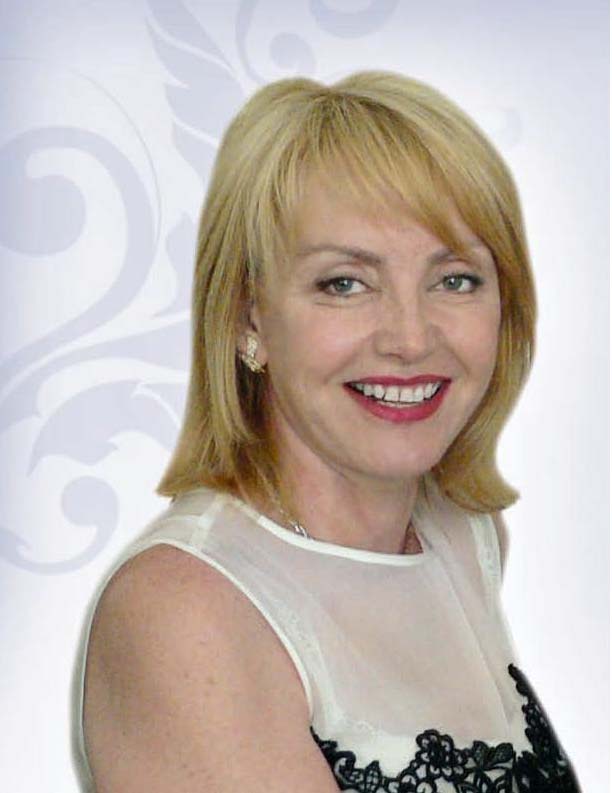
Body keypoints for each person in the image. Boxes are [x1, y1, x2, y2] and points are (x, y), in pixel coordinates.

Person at [73, 71, 582, 791]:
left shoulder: (464, 537)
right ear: (248, 317)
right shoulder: (185, 611)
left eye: (455, 279)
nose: (411, 338)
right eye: (345, 283)